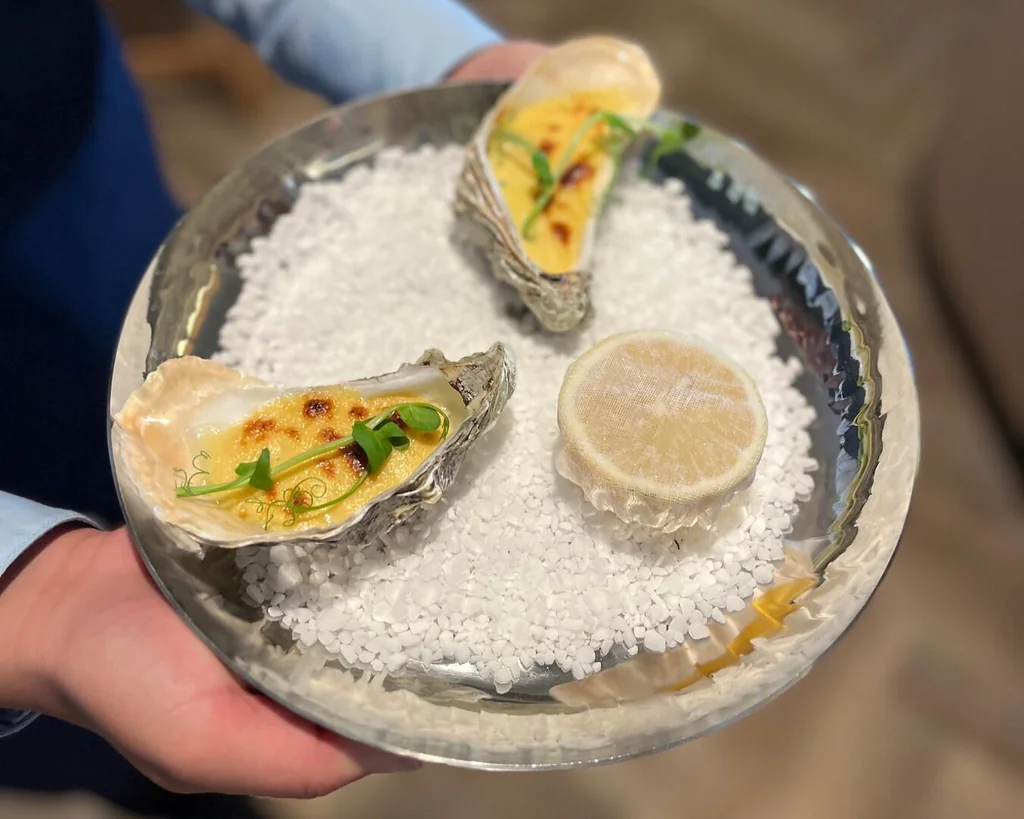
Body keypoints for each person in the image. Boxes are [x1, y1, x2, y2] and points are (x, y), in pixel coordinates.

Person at [0, 0, 545, 812]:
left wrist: (447, 67)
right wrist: (28, 599)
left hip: (58, 130)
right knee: (107, 730)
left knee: (155, 356)